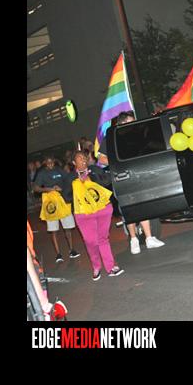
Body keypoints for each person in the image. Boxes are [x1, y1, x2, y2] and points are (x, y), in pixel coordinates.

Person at [96, 111, 166, 255]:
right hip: (121, 176)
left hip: (137, 176)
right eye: (130, 121)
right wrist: (118, 161)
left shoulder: (137, 137)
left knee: (142, 205)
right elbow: (101, 158)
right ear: (122, 123)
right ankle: (134, 240)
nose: (134, 124)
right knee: (128, 209)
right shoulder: (111, 137)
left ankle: (149, 238)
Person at [62, 150, 123, 281]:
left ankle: (111, 267)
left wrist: (92, 178)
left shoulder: (94, 170)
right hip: (84, 213)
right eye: (79, 158)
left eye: (84, 158)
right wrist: (78, 185)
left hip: (102, 209)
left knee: (103, 239)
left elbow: (107, 181)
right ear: (74, 162)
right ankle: (96, 266)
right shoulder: (70, 178)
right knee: (91, 241)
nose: (83, 160)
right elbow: (66, 197)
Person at [33, 156, 81, 264]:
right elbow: (35, 188)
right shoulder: (42, 173)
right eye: (48, 163)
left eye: (52, 163)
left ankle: (72, 250)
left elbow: (67, 180)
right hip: (50, 202)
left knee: (68, 227)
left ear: (54, 162)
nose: (50, 165)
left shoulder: (59, 170)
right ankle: (58, 254)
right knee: (53, 229)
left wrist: (62, 188)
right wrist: (48, 189)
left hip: (62, 199)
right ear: (45, 163)